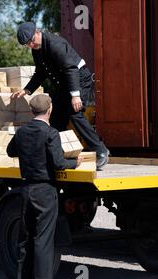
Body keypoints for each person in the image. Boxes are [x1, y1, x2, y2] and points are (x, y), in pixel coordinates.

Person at [7, 94, 82, 279]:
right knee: (43, 239)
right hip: (45, 191)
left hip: (26, 189)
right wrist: (75, 162)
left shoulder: (22, 132)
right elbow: (59, 163)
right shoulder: (51, 133)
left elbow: (10, 151)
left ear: (32, 111)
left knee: (25, 237)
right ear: (49, 110)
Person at [12, 21, 109, 171]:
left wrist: (75, 96)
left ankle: (101, 150)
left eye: (31, 41)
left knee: (74, 113)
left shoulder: (54, 44)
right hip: (64, 84)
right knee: (56, 117)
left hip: (78, 80)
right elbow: (41, 73)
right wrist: (27, 90)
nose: (30, 45)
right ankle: (63, 153)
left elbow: (71, 69)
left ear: (37, 32)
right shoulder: (37, 49)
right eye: (27, 44)